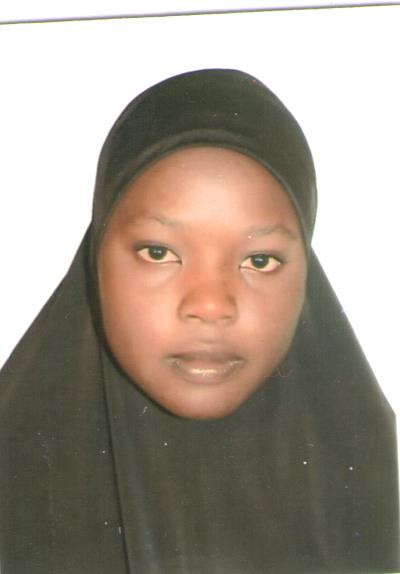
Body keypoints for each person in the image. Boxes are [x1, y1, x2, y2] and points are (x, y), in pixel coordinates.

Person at [0, 69, 398, 574]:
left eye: (258, 261)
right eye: (159, 252)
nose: (211, 305)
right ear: (97, 258)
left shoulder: (371, 484)